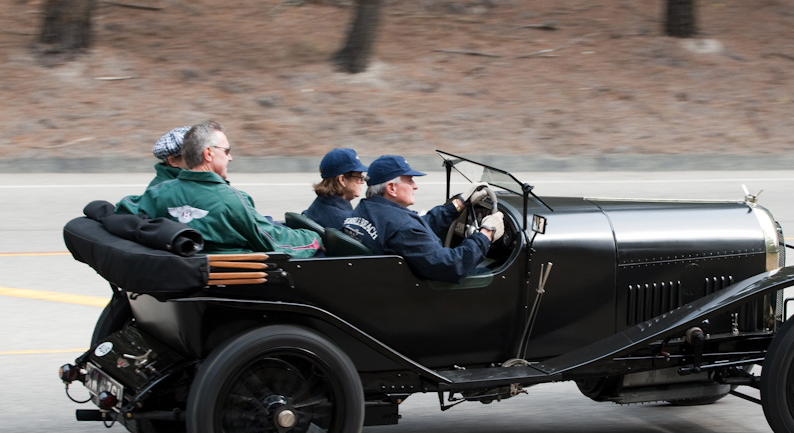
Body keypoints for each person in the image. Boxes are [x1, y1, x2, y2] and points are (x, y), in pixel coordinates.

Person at [117, 120, 322, 258]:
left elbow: (123, 211)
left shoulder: (158, 194)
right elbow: (272, 241)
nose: (230, 157)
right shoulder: (231, 200)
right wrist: (313, 238)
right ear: (208, 153)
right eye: (227, 151)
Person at [342, 155, 504, 283]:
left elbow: (418, 226)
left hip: (378, 284)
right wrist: (485, 234)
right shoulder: (401, 226)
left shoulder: (367, 208)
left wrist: (459, 203)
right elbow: (453, 266)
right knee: (494, 270)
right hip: (417, 295)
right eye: (410, 180)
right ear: (391, 188)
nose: (415, 186)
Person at [302, 148, 368, 229]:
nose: (362, 182)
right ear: (342, 180)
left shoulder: (320, 203)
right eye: (359, 177)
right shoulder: (345, 222)